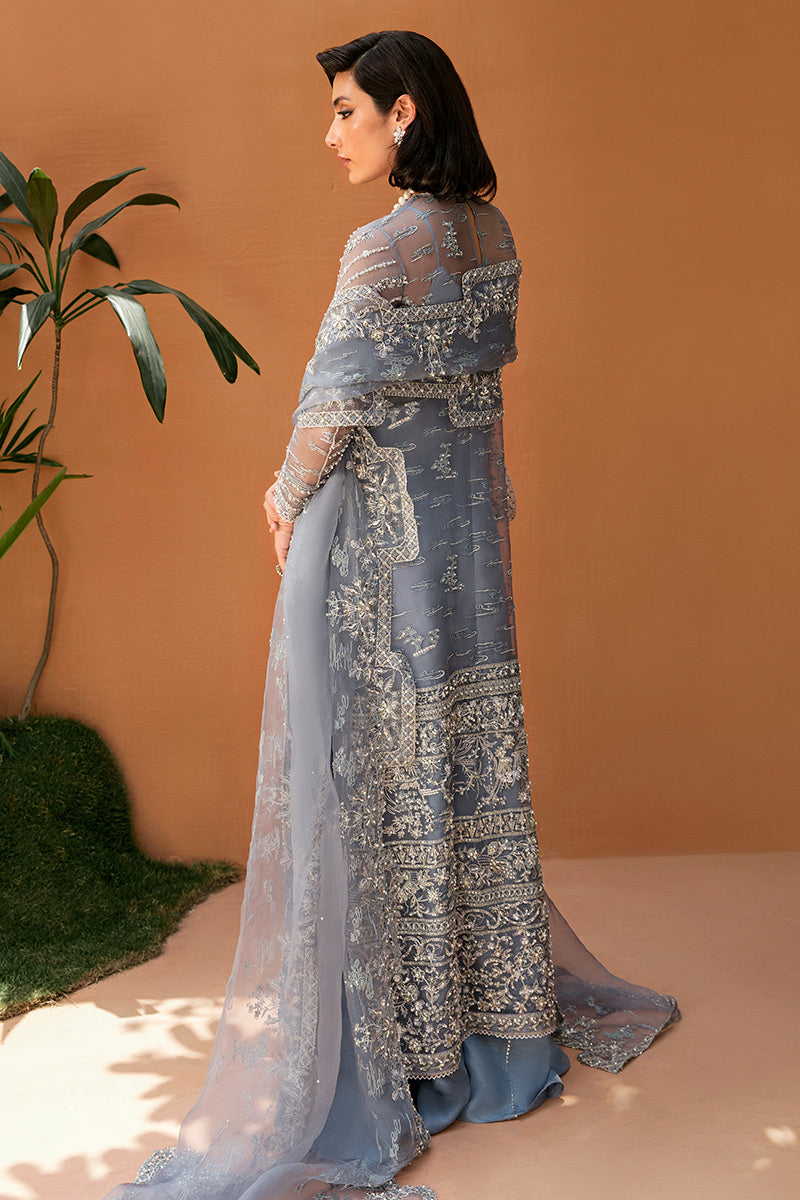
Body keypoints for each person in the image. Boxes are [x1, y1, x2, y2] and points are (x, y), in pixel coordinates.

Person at [106, 31, 678, 1200]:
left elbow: (333, 401)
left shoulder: (386, 243)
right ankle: (491, 1033)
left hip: (375, 550)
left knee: (368, 776)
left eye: (343, 111)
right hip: (461, 550)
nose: (329, 135)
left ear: (402, 111)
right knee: (453, 770)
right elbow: (467, 401)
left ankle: (402, 1051)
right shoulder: (490, 235)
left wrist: (279, 499)